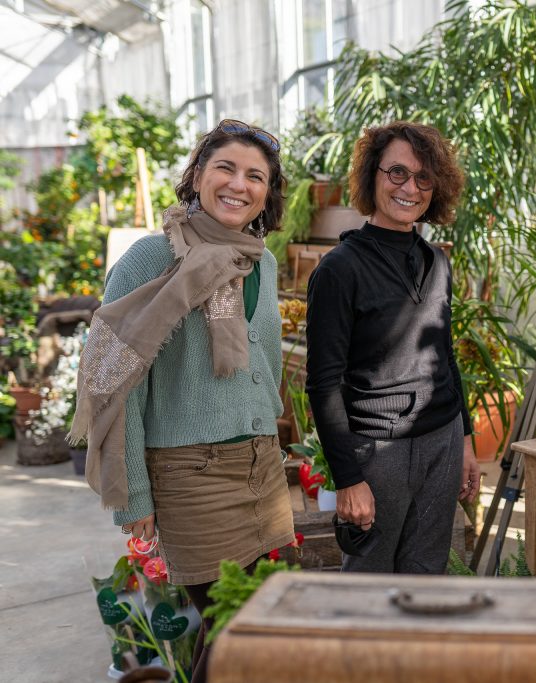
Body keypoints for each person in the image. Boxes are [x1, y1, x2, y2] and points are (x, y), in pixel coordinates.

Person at [70, 119, 295, 683]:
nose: (238, 184)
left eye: (255, 176)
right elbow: (112, 382)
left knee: (265, 630)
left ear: (267, 193)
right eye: (225, 167)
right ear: (197, 175)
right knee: (231, 638)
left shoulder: (261, 263)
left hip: (262, 469)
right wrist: (134, 495)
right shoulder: (152, 258)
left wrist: (275, 442)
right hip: (191, 476)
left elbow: (263, 366)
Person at [305, 121, 480, 574]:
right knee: (367, 590)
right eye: (397, 173)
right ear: (372, 176)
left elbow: (444, 357)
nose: (410, 188)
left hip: (440, 443)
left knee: (426, 580)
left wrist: (464, 440)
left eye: (424, 178)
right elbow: (322, 385)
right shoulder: (339, 270)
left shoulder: (437, 262)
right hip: (377, 452)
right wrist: (348, 479)